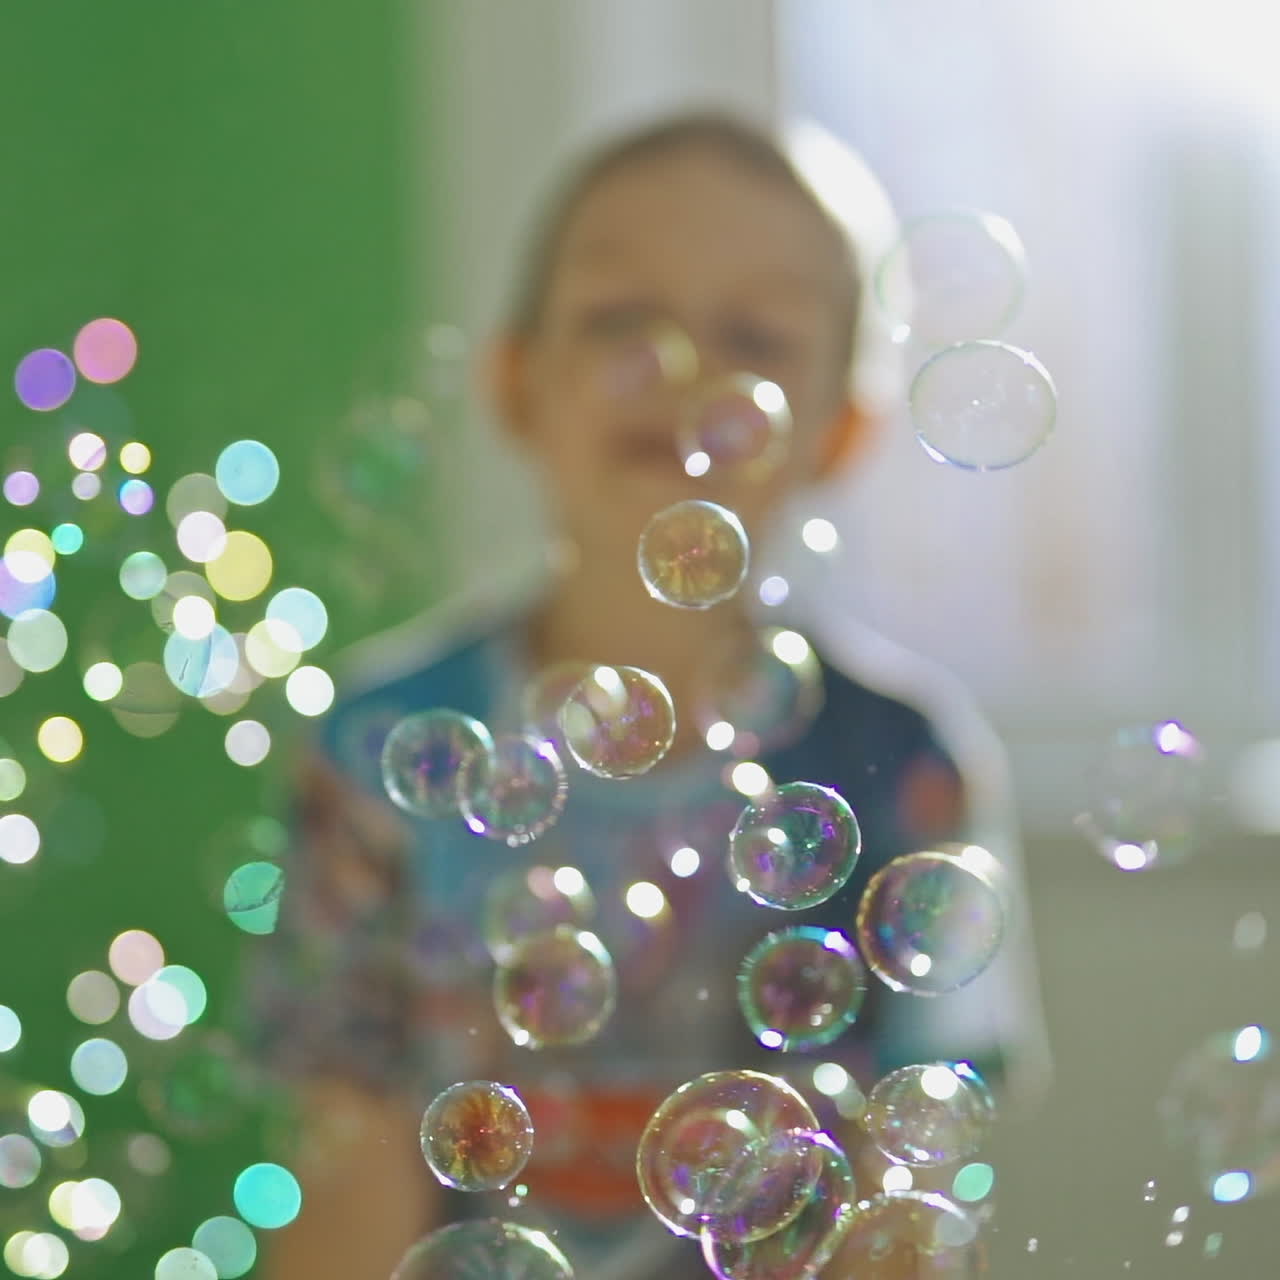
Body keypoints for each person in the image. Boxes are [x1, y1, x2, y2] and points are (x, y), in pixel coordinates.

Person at [247, 111, 1047, 1280]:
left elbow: (902, 1214)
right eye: (620, 318)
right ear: (519, 385)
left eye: (754, 334)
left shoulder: (905, 762)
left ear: (838, 427)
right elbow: (346, 1176)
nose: (681, 367)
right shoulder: (377, 751)